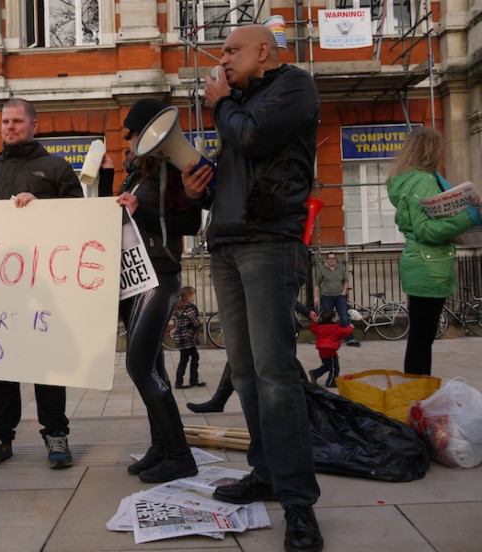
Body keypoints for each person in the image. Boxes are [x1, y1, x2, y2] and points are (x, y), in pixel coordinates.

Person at [182, 25, 323, 552]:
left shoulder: (294, 86)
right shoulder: (239, 106)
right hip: (227, 243)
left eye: (230, 51)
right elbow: (244, 165)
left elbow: (254, 137)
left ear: (263, 51)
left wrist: (220, 105)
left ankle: (298, 502)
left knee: (274, 370)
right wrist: (204, 187)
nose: (221, 61)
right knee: (244, 370)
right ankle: (265, 471)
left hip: (270, 242)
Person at [0, 98, 82, 470]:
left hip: (45, 285)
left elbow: (79, 220)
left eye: (16, 121)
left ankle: (56, 434)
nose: (9, 127)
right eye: (4, 122)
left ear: (34, 125)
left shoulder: (56, 168)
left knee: (45, 362)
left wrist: (43, 207)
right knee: (1, 365)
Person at [116, 98, 203, 483]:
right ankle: (162, 446)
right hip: (136, 277)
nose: (129, 140)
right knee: (151, 364)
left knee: (138, 365)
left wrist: (141, 210)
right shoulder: (138, 172)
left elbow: (189, 223)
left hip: (160, 275)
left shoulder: (172, 170)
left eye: (133, 133)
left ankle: (180, 454)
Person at [387, 127, 482, 376]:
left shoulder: (408, 179)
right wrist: (469, 217)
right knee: (422, 340)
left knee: (420, 339)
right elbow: (426, 230)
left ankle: (418, 394)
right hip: (429, 266)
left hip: (419, 264)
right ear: (431, 149)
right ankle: (418, 397)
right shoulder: (423, 180)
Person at [186, 302, 317, 413]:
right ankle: (218, 401)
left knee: (283, 358)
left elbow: (284, 289)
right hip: (262, 323)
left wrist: (305, 311)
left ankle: (311, 400)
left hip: (277, 323)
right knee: (239, 355)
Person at [313, 252, 360, 347]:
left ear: (335, 259)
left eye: (333, 258)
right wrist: (316, 297)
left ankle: (350, 339)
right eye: (329, 258)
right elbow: (317, 284)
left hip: (339, 296)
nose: (331, 260)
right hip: (326, 296)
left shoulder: (340, 269)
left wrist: (344, 291)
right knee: (327, 318)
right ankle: (327, 338)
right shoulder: (323, 270)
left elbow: (346, 281)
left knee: (344, 316)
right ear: (327, 260)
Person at [308, 310, 354, 388]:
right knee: (334, 368)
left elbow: (312, 329)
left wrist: (315, 322)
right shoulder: (336, 328)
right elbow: (344, 332)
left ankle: (315, 373)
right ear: (332, 319)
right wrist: (350, 327)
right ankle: (331, 382)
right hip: (330, 350)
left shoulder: (319, 327)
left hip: (321, 351)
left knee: (327, 366)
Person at [173, 286, 204, 389]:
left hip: (182, 336)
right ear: (189, 296)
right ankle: (180, 382)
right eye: (194, 294)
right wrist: (199, 326)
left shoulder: (180, 306)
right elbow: (195, 322)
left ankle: (192, 380)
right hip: (187, 336)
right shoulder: (190, 307)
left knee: (191, 357)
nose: (194, 296)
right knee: (187, 358)